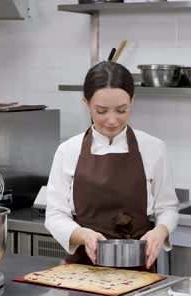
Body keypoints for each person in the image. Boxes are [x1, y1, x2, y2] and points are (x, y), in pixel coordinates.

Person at [45, 61, 178, 269]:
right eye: (101, 111)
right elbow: (54, 215)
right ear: (86, 103)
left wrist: (160, 231)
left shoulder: (154, 148)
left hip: (139, 266)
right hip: (83, 269)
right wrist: (83, 235)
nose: (112, 120)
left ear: (132, 101)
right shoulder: (67, 151)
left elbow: (167, 207)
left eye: (121, 110)